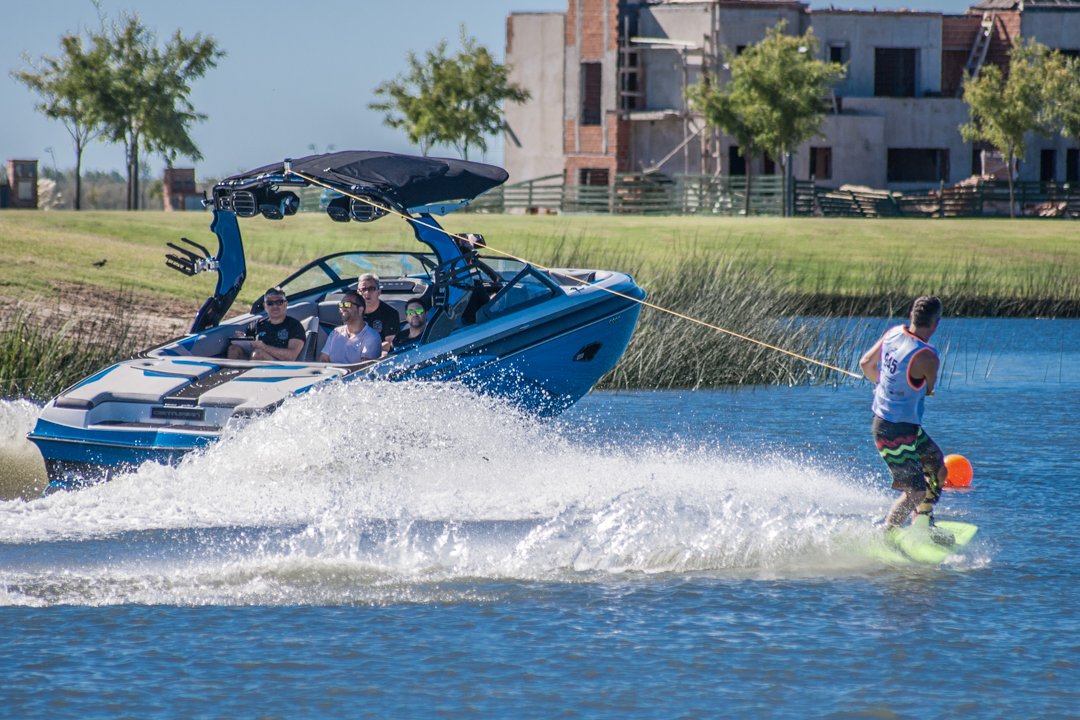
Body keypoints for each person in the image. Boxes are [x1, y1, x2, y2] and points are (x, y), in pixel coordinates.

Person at [859, 296, 948, 533]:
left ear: (912, 316)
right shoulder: (928, 356)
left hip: (906, 429)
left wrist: (882, 384)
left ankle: (917, 526)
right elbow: (929, 389)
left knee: (938, 468)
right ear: (935, 324)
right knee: (916, 491)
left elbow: (866, 364)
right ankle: (896, 532)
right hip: (892, 431)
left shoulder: (893, 333)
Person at [227, 287, 305, 361]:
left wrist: (264, 347)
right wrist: (242, 338)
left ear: (285, 304)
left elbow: (291, 357)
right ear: (265, 306)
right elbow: (249, 345)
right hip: (253, 360)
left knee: (258, 354)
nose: (275, 306)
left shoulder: (295, 326)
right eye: (270, 303)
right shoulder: (256, 325)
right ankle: (232, 374)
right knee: (233, 349)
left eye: (279, 302)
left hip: (281, 367)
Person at [318, 290, 382, 364]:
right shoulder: (336, 332)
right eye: (341, 305)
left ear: (360, 309)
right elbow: (323, 358)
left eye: (347, 304)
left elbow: (364, 368)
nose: (343, 308)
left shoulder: (371, 337)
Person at [357, 273, 402, 353]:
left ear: (379, 292)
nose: (367, 293)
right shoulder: (353, 312)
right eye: (363, 289)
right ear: (358, 292)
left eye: (371, 289)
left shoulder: (390, 313)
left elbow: (389, 343)